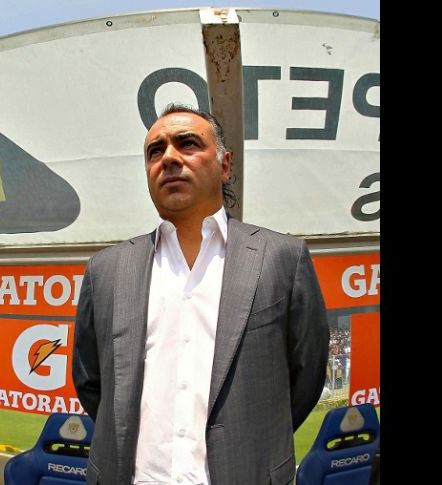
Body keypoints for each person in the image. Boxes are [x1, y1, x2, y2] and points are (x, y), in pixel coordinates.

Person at [72, 104, 329, 484]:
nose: (169, 158)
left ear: (224, 165)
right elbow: (92, 382)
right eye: (155, 151)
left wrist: (250, 441)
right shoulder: (106, 270)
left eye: (187, 144)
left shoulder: (282, 258)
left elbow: (304, 378)